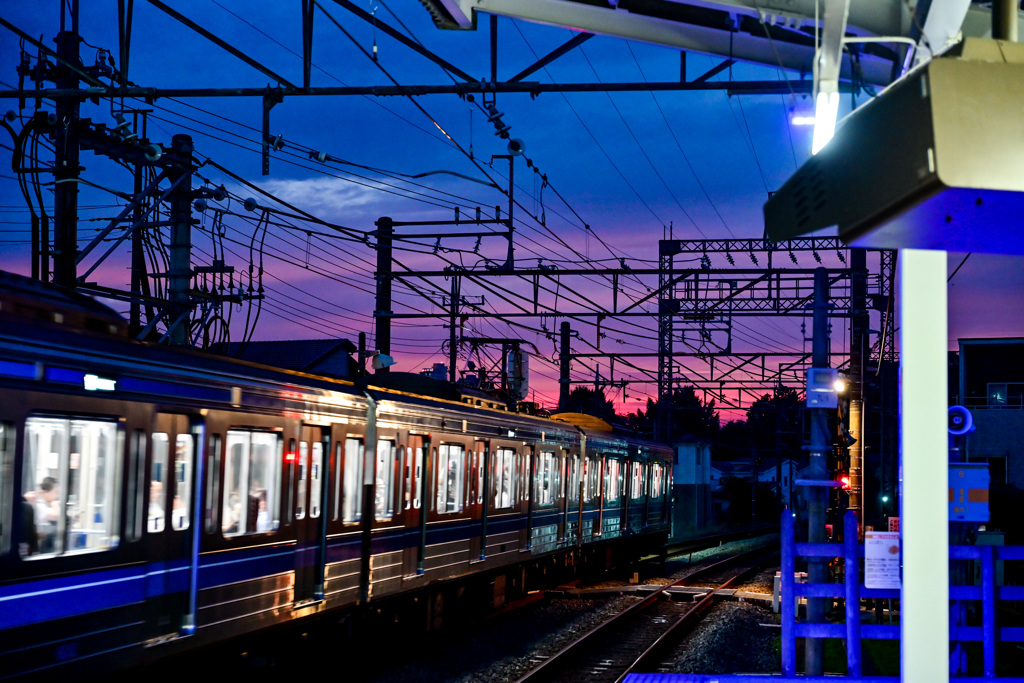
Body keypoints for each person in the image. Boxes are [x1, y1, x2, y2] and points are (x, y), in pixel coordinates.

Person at [35, 477, 60, 553]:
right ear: (45, 491)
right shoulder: (39, 505)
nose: (56, 496)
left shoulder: (47, 505)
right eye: (55, 492)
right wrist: (55, 504)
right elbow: (56, 516)